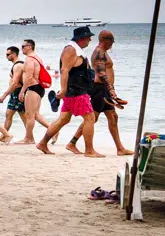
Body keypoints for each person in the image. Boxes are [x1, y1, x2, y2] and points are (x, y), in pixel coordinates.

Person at [65, 30, 133, 156]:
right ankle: (72, 143)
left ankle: (120, 148)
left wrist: (111, 89)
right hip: (100, 89)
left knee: (113, 117)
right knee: (92, 118)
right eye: (111, 42)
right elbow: (101, 73)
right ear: (105, 40)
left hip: (105, 89)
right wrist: (110, 89)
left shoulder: (103, 53)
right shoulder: (99, 53)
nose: (112, 45)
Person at [36, 27, 101, 157]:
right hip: (76, 91)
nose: (90, 40)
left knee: (63, 119)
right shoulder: (70, 50)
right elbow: (64, 70)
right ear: (81, 38)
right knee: (90, 118)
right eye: (88, 37)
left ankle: (43, 143)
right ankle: (89, 150)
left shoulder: (76, 50)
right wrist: (64, 89)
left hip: (74, 90)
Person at [16, 39, 53, 145]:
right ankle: (54, 130)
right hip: (38, 88)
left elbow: (28, 77)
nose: (21, 48)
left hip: (32, 88)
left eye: (23, 46)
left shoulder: (29, 59)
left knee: (30, 115)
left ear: (29, 47)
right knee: (36, 115)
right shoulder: (37, 57)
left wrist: (22, 91)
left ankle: (28, 139)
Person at [0, 45, 26, 136]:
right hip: (16, 92)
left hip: (18, 92)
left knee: (23, 116)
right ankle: (4, 135)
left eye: (8, 54)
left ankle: (29, 136)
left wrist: (4, 95)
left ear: (14, 54)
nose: (6, 56)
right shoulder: (17, 64)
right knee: (10, 114)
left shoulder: (18, 65)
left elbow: (15, 83)